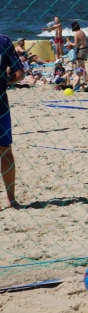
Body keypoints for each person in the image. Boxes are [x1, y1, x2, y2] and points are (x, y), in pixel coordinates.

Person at [0, 34, 25, 208]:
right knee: (5, 151)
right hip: (0, 102)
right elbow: (20, 74)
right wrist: (5, 82)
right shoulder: (4, 41)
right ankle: (11, 199)